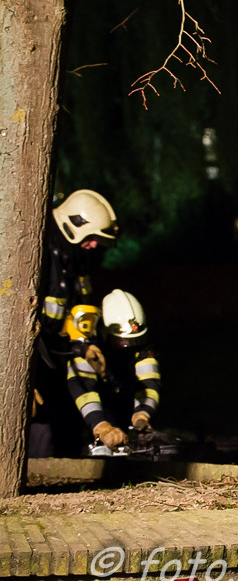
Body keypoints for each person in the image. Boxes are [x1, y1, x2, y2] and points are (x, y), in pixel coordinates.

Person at [30, 189, 120, 457]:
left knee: (65, 431)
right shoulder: (36, 251)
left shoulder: (75, 260)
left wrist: (86, 345)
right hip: (29, 359)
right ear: (73, 225)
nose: (93, 246)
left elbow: (79, 311)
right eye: (91, 238)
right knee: (39, 434)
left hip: (54, 360)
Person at [66, 289, 161, 451]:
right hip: (87, 409)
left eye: (135, 341)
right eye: (121, 341)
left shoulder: (143, 347)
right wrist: (100, 425)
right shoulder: (86, 348)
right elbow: (83, 392)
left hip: (124, 399)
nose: (128, 347)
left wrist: (142, 415)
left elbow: (150, 383)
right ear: (104, 332)